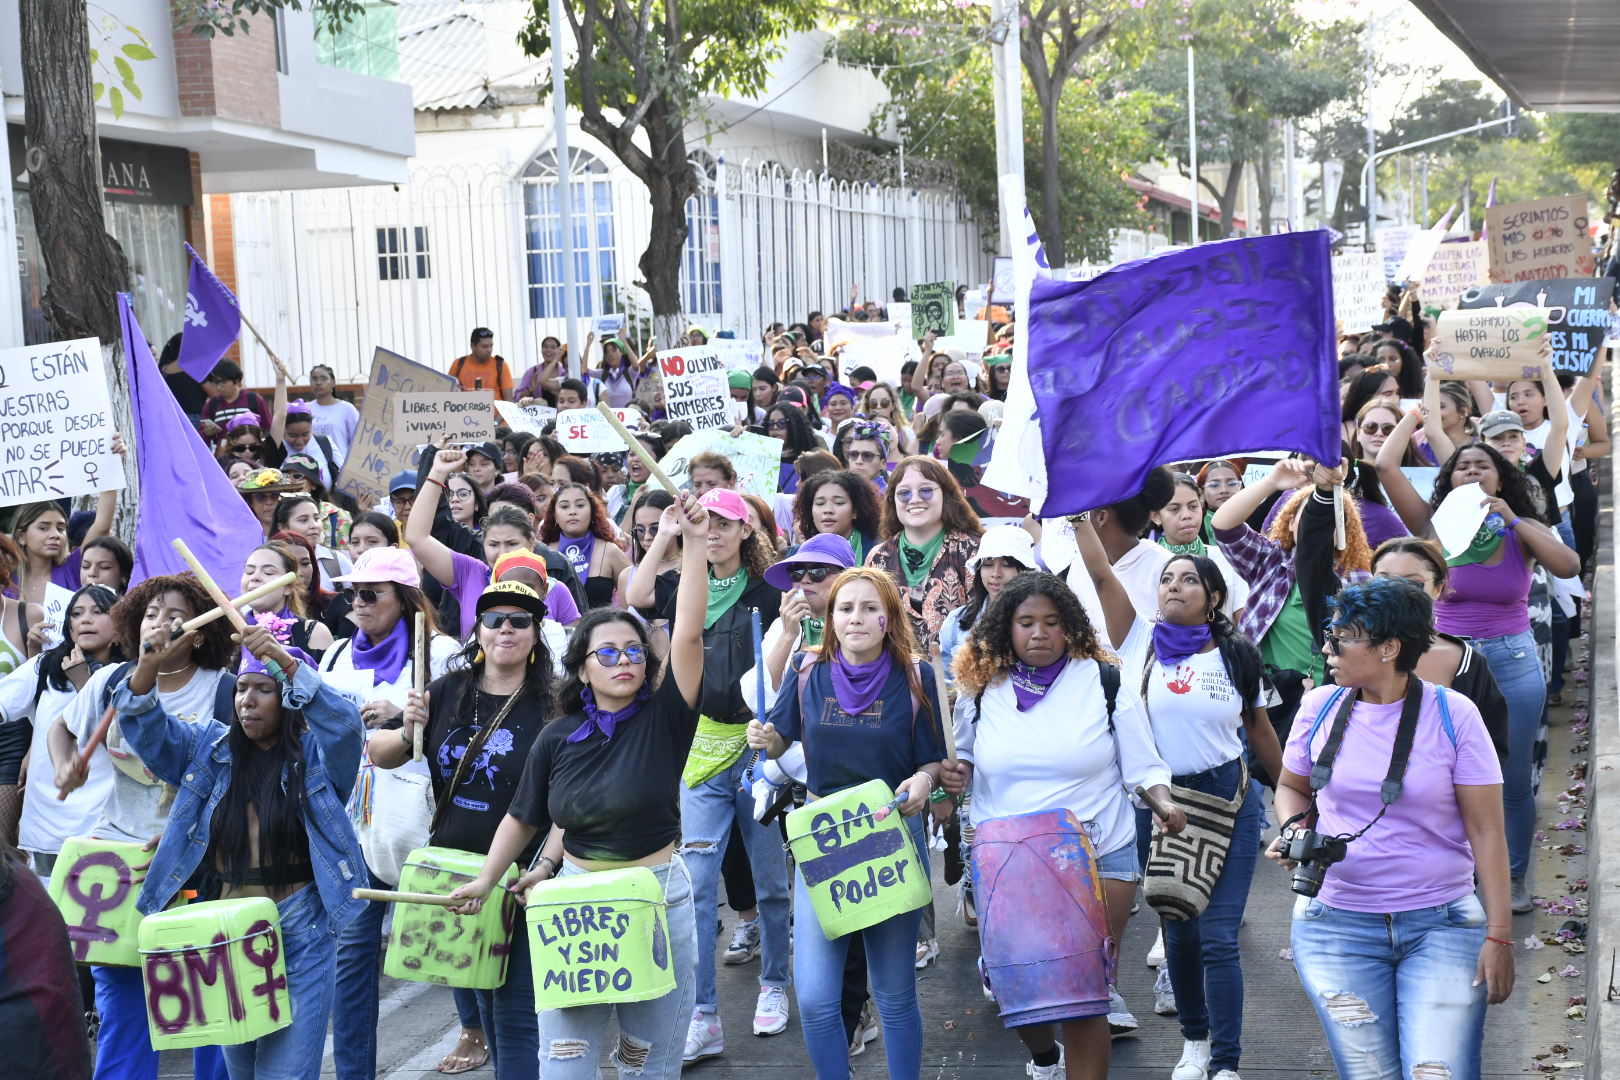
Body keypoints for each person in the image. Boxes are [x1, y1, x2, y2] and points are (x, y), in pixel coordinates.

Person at [447, 492, 711, 1079]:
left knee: (647, 1064)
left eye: (634, 652)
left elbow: (689, 633)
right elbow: (523, 816)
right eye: (607, 652)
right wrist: (489, 879)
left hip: (657, 899)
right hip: (575, 904)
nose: (624, 661)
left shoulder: (666, 719)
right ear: (582, 665)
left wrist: (690, 543)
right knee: (564, 1064)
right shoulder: (557, 736)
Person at [1268, 577, 1512, 1076]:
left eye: (1342, 636)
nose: (1327, 647)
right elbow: (1291, 785)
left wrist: (1501, 936)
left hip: (1441, 924)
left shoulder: (1454, 714)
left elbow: (1488, 832)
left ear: (1388, 648)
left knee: (1438, 1071)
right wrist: (1295, 830)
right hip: (1333, 927)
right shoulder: (1318, 706)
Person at [114, 618, 363, 1079]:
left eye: (263, 689)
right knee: (241, 1074)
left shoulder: (315, 758)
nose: (247, 700)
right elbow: (147, 733)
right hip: (224, 929)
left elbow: (346, 727)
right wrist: (148, 666)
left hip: (299, 928)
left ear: (288, 699)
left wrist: (286, 661)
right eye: (241, 688)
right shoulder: (208, 749)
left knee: (285, 1075)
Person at [750, 568, 947, 1080]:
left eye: (867, 608)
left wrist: (925, 782)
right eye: (844, 609)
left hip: (892, 837)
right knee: (815, 998)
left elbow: (931, 761)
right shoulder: (807, 670)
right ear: (830, 617)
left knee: (894, 991)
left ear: (888, 617)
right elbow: (783, 743)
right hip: (825, 841)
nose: (855, 618)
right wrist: (765, 738)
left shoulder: (917, 676)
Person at [1374, 434, 1580, 912]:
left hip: (1512, 662)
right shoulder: (1434, 529)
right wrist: (1416, 414)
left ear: (1501, 477)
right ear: (1448, 481)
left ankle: (1511, 878)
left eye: (1482, 466)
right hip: (1446, 663)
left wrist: (1514, 520)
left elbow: (1568, 565)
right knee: (1444, 775)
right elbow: (1386, 467)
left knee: (1510, 778)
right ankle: (1454, 875)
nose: (1471, 472)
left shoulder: (1520, 526)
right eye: (1462, 466)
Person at [47, 575, 238, 1080]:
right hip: (121, 865)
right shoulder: (112, 681)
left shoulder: (223, 692)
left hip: (195, 868)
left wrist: (188, 833)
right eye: (151, 613)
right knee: (122, 1005)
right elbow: (61, 728)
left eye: (174, 615)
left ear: (197, 632)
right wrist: (67, 763)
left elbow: (238, 784)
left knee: (205, 998)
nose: (159, 622)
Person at [625, 489, 789, 1064]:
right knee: (694, 884)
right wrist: (670, 532)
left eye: (726, 523)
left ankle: (774, 983)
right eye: (707, 523)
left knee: (770, 879)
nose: (714, 532)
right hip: (698, 749)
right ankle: (704, 1014)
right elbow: (637, 593)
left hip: (755, 748)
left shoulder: (771, 591)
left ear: (748, 531)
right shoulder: (682, 583)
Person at [374, 582, 557, 1080]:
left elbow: (566, 800)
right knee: (486, 1006)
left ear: (536, 634)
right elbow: (381, 756)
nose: (506, 628)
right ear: (476, 630)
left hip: (522, 878)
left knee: (516, 1012)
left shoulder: (554, 703)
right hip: (454, 875)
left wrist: (546, 866)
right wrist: (407, 727)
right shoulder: (446, 690)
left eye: (520, 620)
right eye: (494, 617)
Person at [320, 548, 460, 1080]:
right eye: (352, 593)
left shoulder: (441, 651)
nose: (357, 602)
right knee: (353, 953)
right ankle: (356, 1072)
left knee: (446, 940)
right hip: (352, 827)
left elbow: (463, 720)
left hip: (424, 821)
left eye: (370, 592)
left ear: (403, 600)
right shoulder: (334, 656)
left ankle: (475, 1028)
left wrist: (403, 720)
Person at [4, 584, 125, 879]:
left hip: (104, 825)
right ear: (69, 627)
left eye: (98, 612)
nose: (85, 619)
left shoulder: (129, 673)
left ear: (120, 625)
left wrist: (83, 679)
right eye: (77, 613)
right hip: (48, 822)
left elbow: (121, 734)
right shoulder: (44, 666)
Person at [866, 456, 984, 659]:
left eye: (926, 490)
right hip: (895, 680)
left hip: (957, 681)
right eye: (903, 493)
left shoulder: (973, 551)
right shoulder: (878, 558)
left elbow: (987, 623)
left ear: (946, 495)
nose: (914, 499)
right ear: (893, 501)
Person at [541, 482, 630, 610]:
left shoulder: (609, 550)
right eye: (565, 506)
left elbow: (634, 596)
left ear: (592, 512)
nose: (573, 511)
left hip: (600, 628)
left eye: (580, 505)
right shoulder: (543, 553)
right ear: (555, 515)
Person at [240, 541, 336, 655]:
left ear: (288, 586)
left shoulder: (315, 632)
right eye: (249, 572)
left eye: (268, 573)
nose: (255, 577)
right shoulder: (230, 631)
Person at [793, 469, 883, 568]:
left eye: (839, 503)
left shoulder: (879, 552)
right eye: (820, 503)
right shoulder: (796, 554)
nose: (828, 510)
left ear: (855, 511)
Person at [306, 364, 360, 466]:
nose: (318, 383)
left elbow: (357, 443)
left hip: (339, 468)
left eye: (323, 378)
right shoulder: (306, 409)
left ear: (333, 383)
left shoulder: (347, 409)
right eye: (314, 379)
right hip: (311, 469)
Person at [201, 359, 273, 434]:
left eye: (223, 382)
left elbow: (268, 428)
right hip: (221, 445)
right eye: (216, 383)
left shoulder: (254, 400)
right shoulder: (212, 404)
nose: (219, 387)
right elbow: (201, 436)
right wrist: (207, 434)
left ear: (237, 380)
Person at [452, 328, 513, 398]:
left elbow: (509, 402)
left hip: (494, 409)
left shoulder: (501, 365)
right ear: (472, 346)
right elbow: (448, 394)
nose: (489, 350)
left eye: (491, 346)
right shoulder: (458, 364)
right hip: (466, 408)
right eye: (485, 347)